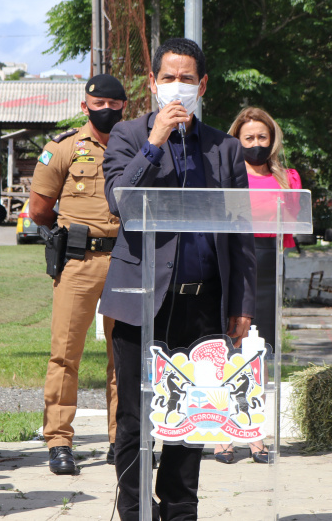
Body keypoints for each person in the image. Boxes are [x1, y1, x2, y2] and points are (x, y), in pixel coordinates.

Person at [99, 37, 257, 521]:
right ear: (151, 83)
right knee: (134, 417)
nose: (177, 88)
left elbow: (240, 236)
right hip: (141, 300)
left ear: (203, 85)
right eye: (168, 78)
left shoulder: (226, 150)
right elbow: (119, 203)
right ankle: (133, 509)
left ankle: (180, 509)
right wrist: (155, 143)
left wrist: (242, 304)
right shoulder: (128, 136)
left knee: (191, 414)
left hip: (203, 303)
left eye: (187, 79)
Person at [29, 74, 127, 475]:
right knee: (65, 352)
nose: (106, 111)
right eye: (98, 104)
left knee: (125, 355)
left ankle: (123, 439)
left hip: (127, 260)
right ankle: (59, 440)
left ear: (124, 107)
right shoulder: (64, 147)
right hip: (79, 261)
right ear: (85, 106)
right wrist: (75, 233)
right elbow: (38, 209)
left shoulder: (137, 146)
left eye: (113, 104)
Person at [211, 106, 302, 465]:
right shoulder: (225, 176)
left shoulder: (287, 178)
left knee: (258, 354)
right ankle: (223, 434)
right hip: (232, 262)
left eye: (262, 137)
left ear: (272, 139)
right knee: (228, 346)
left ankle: (254, 433)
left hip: (268, 261)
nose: (255, 143)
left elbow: (296, 221)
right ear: (237, 139)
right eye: (248, 137)